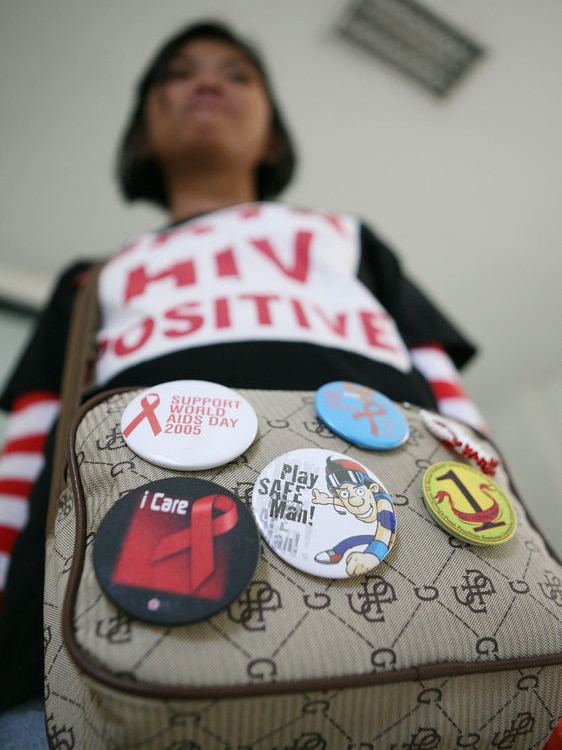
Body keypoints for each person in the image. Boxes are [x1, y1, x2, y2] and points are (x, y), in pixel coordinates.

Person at [0, 18, 484, 738]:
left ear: (273, 137)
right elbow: (24, 456)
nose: (206, 82)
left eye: (237, 73)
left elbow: (458, 420)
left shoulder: (350, 241)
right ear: (141, 132)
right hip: (90, 648)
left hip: (432, 612)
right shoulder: (87, 283)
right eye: (178, 72)